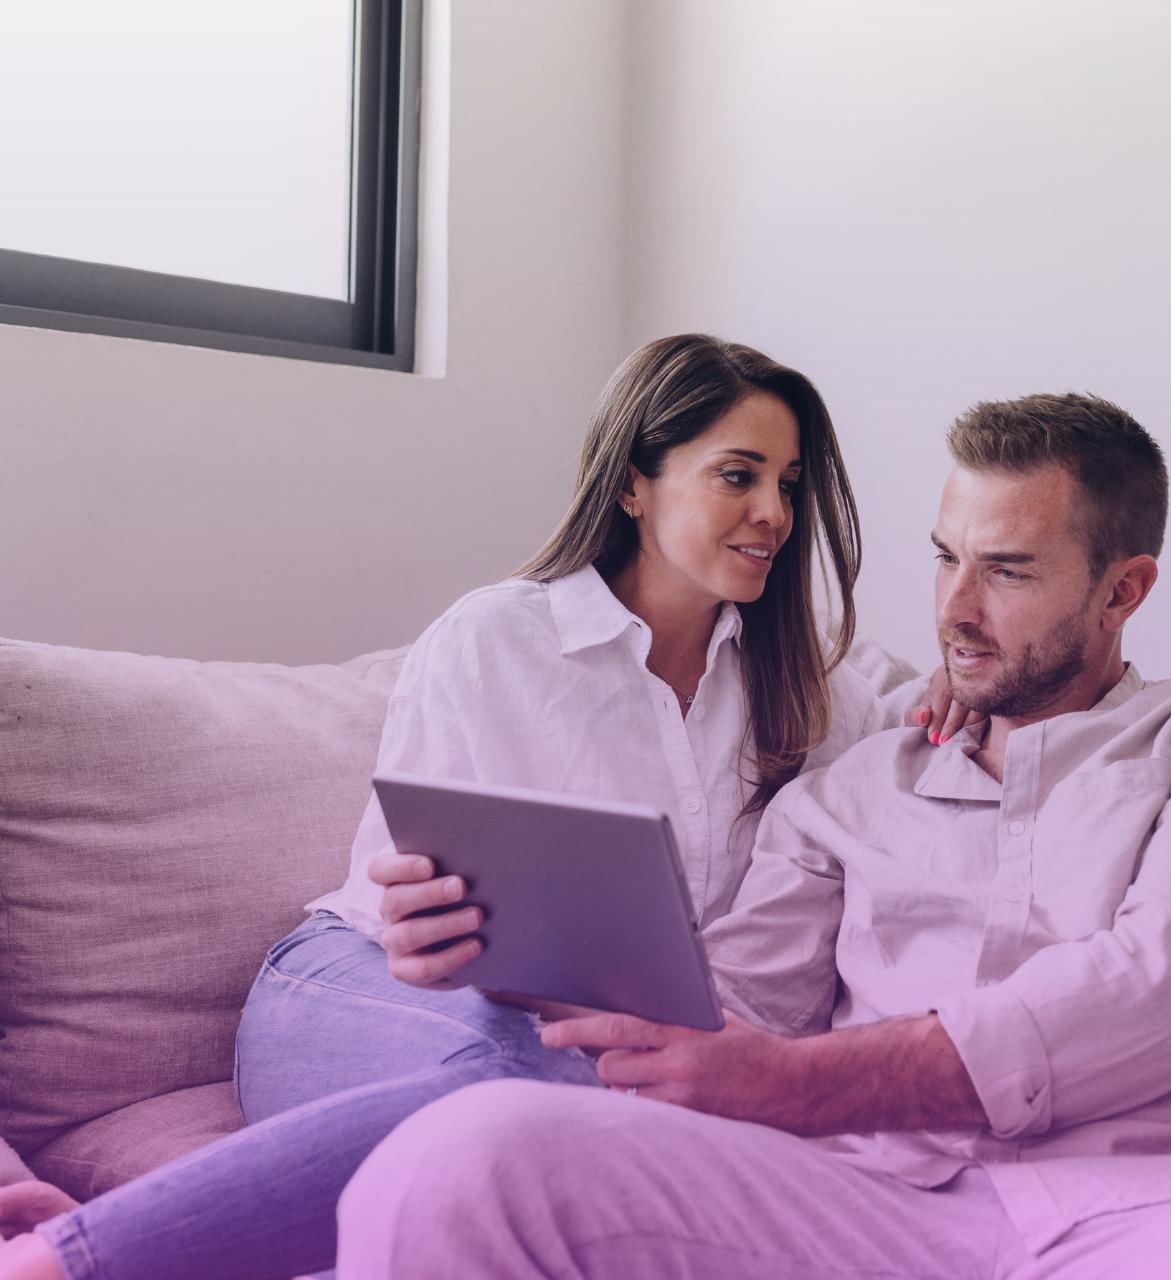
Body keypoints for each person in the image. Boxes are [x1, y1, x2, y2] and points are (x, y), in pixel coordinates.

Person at [331, 393, 1171, 1280]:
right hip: (868, 1201)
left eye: (1006, 572)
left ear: (1123, 590)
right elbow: (723, 1016)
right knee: (459, 1157)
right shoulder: (852, 786)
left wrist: (799, 1080)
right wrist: (491, 950)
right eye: (944, 559)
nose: (955, 609)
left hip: (1168, 1209)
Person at [0, 334, 972, 1280]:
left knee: (609, 1096)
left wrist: (957, 690)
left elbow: (941, 716)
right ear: (634, 483)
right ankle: (62, 1260)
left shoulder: (816, 677)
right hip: (365, 982)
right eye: (738, 475)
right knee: (531, 1080)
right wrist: (426, 924)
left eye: (791, 484)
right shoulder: (496, 637)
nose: (775, 512)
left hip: (588, 1037)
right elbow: (413, 913)